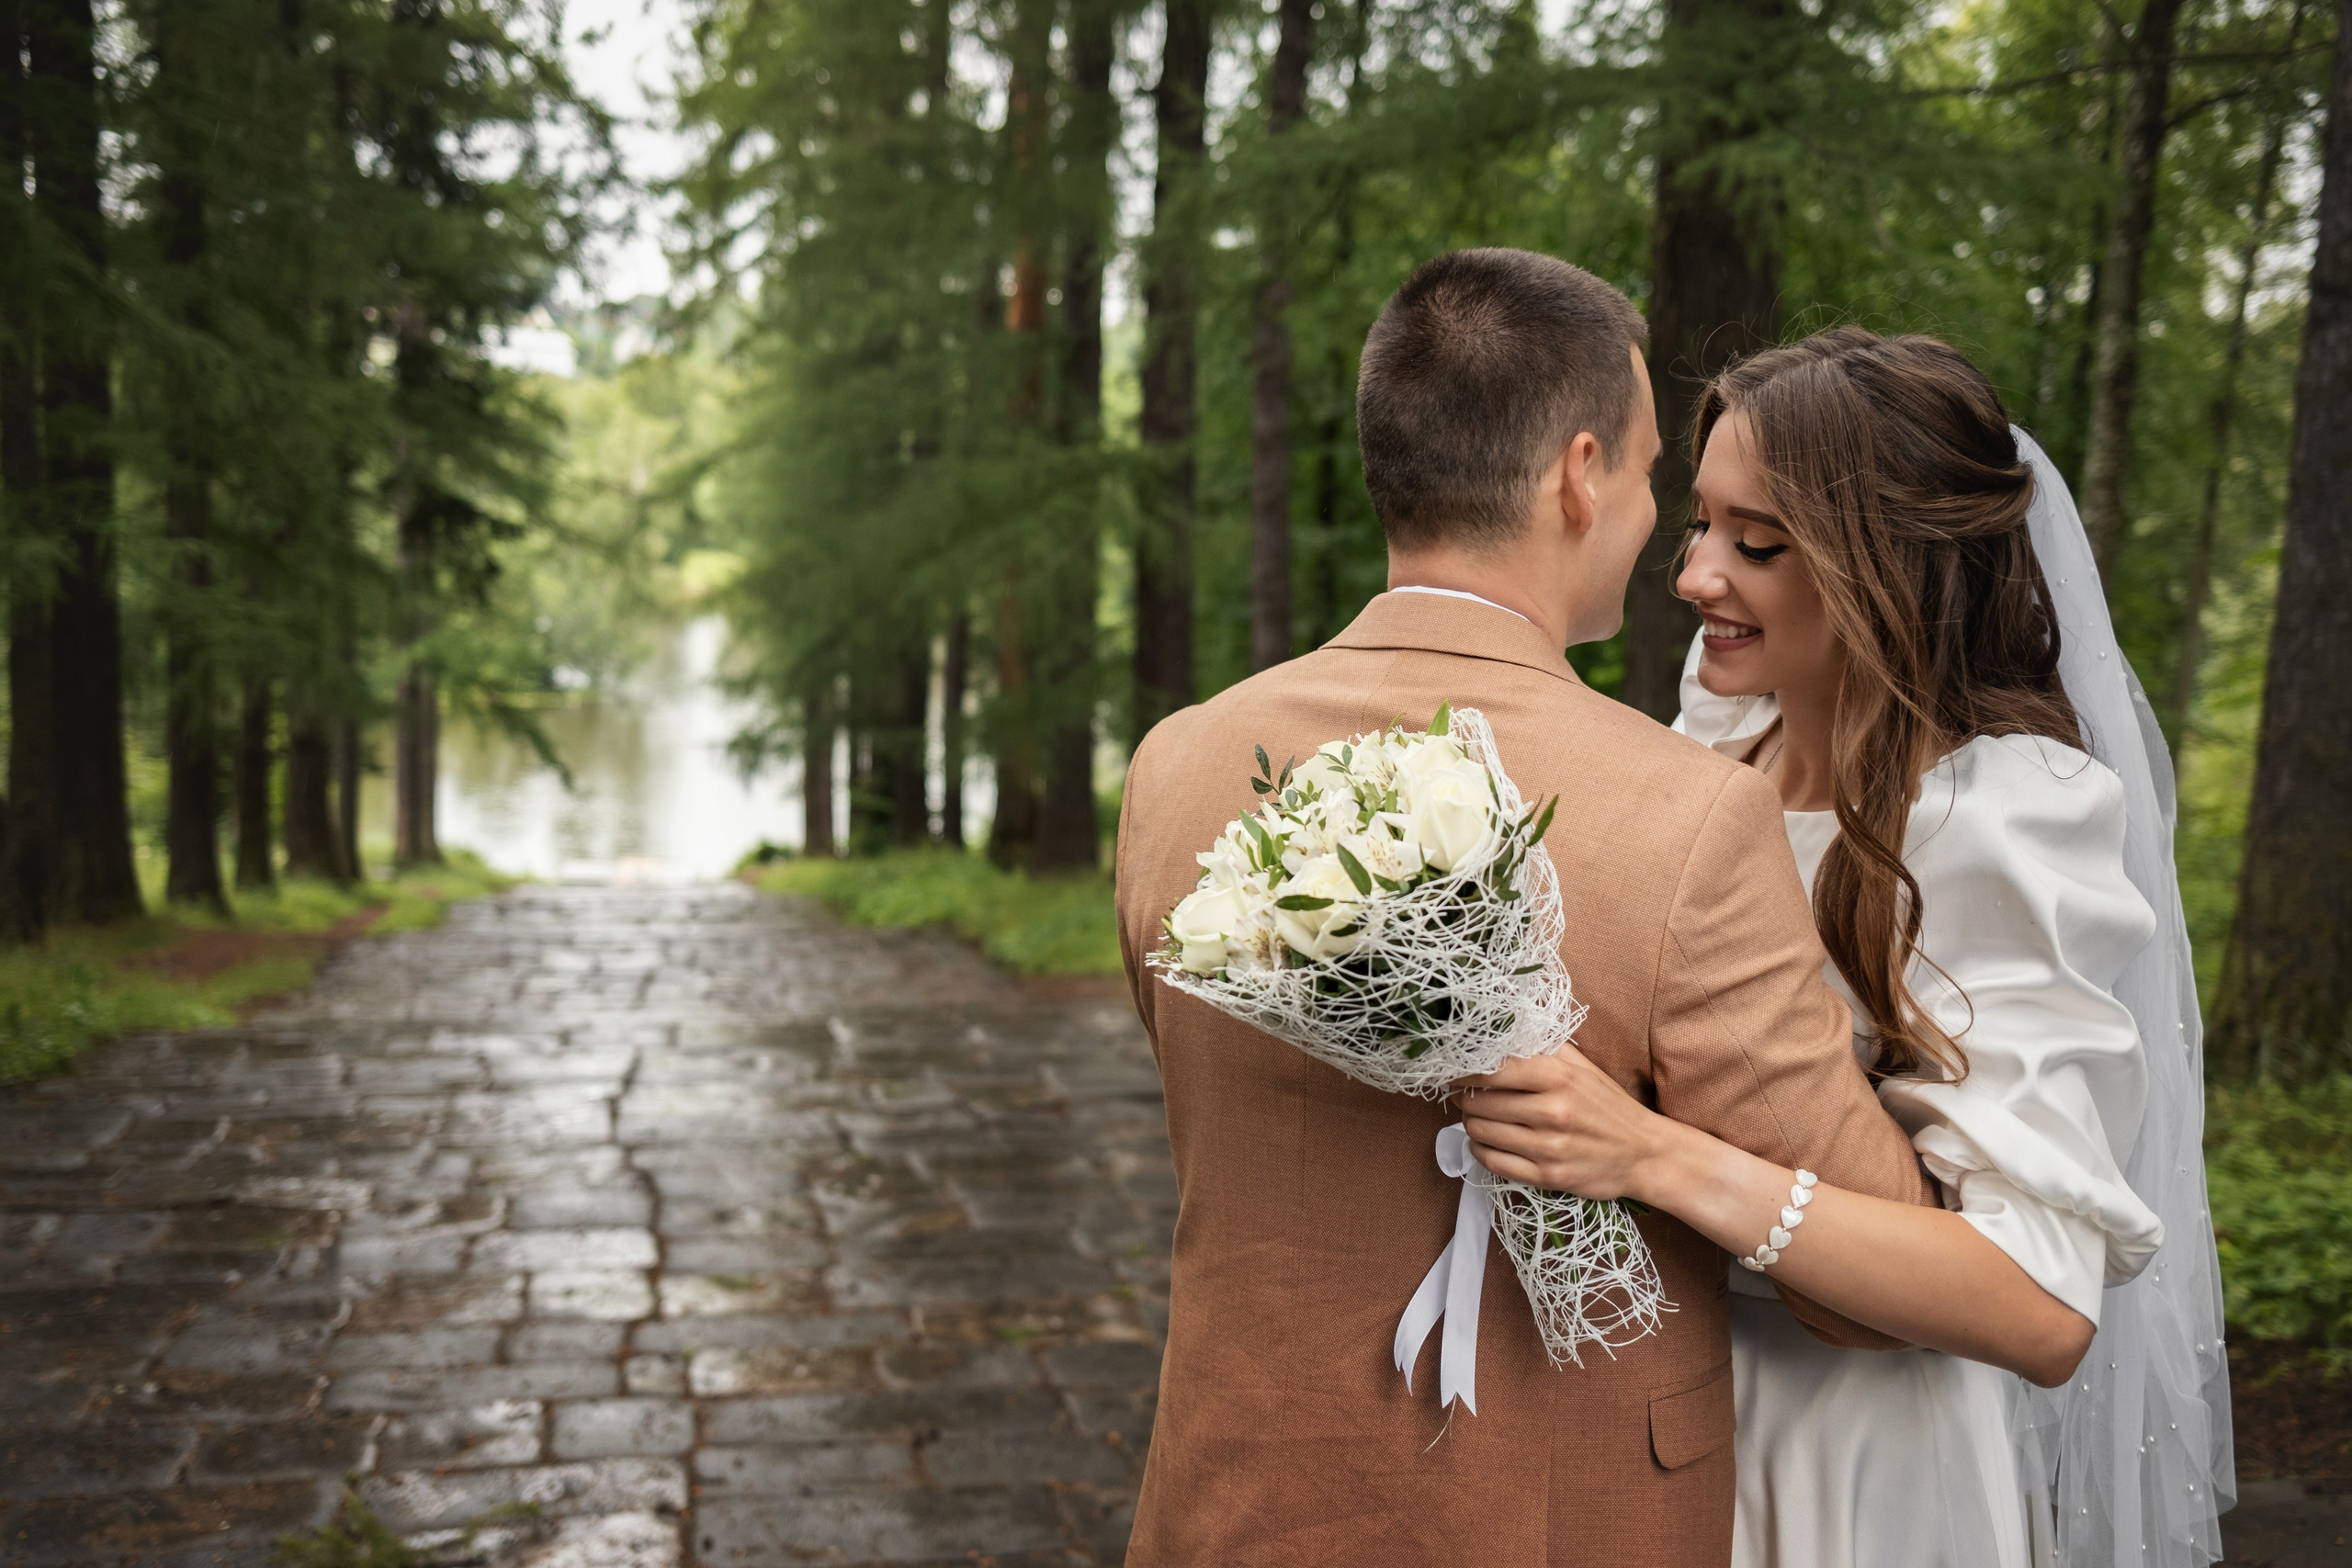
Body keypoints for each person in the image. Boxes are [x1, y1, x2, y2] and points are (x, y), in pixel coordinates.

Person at [1112, 250, 1936, 1567]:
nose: (1659, 519)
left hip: (1231, 1495)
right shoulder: (1689, 818)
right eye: (1656, 471)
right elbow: (1867, 1296)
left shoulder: (1179, 767)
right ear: (1579, 471)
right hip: (1562, 1518)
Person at [1459, 327, 2232, 1567]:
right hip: (1654, 1416)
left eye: (1756, 543)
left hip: (1857, 1456)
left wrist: (1653, 1157)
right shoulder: (1713, 750)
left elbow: (2037, 1305)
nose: (1698, 576)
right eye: (1698, 525)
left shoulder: (2001, 819)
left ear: (1893, 566)